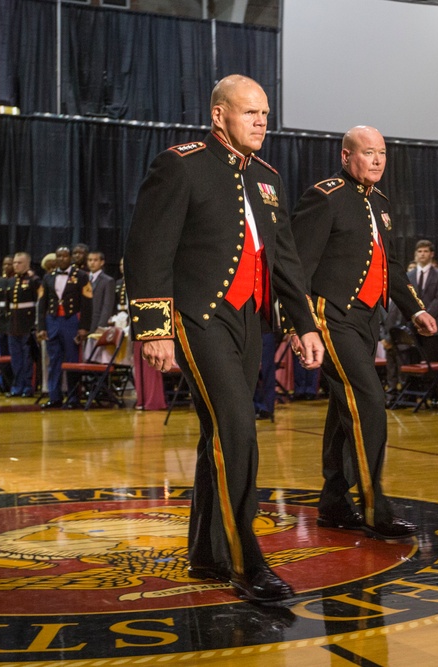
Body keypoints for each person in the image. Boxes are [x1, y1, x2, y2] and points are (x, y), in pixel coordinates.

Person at [124, 74, 324, 603]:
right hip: (198, 317)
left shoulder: (267, 178)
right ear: (219, 115)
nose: (262, 122)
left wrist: (304, 323)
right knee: (238, 428)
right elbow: (147, 251)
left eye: (265, 113)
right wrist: (154, 330)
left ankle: (208, 553)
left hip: (248, 324)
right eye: (250, 112)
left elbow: (285, 264)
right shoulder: (181, 165)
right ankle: (245, 559)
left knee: (221, 432)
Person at [290, 124, 437, 541]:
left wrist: (417, 309)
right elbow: (297, 266)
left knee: (344, 412)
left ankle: (334, 503)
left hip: (365, 321)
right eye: (367, 152)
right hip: (329, 317)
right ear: (345, 156)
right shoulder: (325, 197)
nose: (376, 160)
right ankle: (376, 507)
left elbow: (389, 267)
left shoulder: (383, 204)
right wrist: (298, 326)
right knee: (370, 401)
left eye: (382, 153)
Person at [36, 246, 93, 408]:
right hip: (52, 321)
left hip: (71, 321)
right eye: (59, 256)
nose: (61, 259)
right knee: (53, 361)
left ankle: (74, 397)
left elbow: (87, 304)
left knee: (72, 359)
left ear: (70, 258)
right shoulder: (48, 277)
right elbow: (42, 304)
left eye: (65, 256)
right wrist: (41, 327)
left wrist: (84, 327)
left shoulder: (81, 276)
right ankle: (54, 397)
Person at [407, 239, 438, 362]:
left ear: (432, 254)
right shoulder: (409, 276)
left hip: (433, 326)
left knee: (432, 364)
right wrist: (416, 317)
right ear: (415, 254)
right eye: (419, 251)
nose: (422, 254)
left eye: (426, 251)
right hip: (413, 326)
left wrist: (425, 317)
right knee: (413, 365)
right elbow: (408, 298)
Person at [5, 252, 39, 397]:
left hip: (28, 324)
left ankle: (27, 386)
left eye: (19, 263)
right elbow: (7, 304)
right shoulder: (11, 281)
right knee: (16, 357)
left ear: (27, 264)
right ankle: (17, 385)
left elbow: (39, 303)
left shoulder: (34, 280)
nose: (16, 265)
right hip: (13, 324)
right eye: (15, 263)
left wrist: (36, 325)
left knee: (27, 358)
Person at [0, 255, 13, 360]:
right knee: (3, 352)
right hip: (1, 321)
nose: (7, 266)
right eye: (5, 264)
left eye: (9, 264)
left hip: (13, 320)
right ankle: (5, 375)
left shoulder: (16, 280)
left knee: (12, 350)